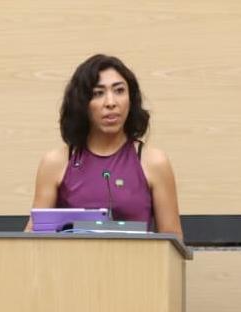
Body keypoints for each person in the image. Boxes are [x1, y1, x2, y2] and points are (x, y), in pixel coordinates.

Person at [26, 53, 183, 237]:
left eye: (119, 91)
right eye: (98, 93)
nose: (111, 103)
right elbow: (33, 238)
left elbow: (172, 242)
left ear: (131, 99)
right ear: (82, 103)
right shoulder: (55, 162)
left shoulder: (155, 162)